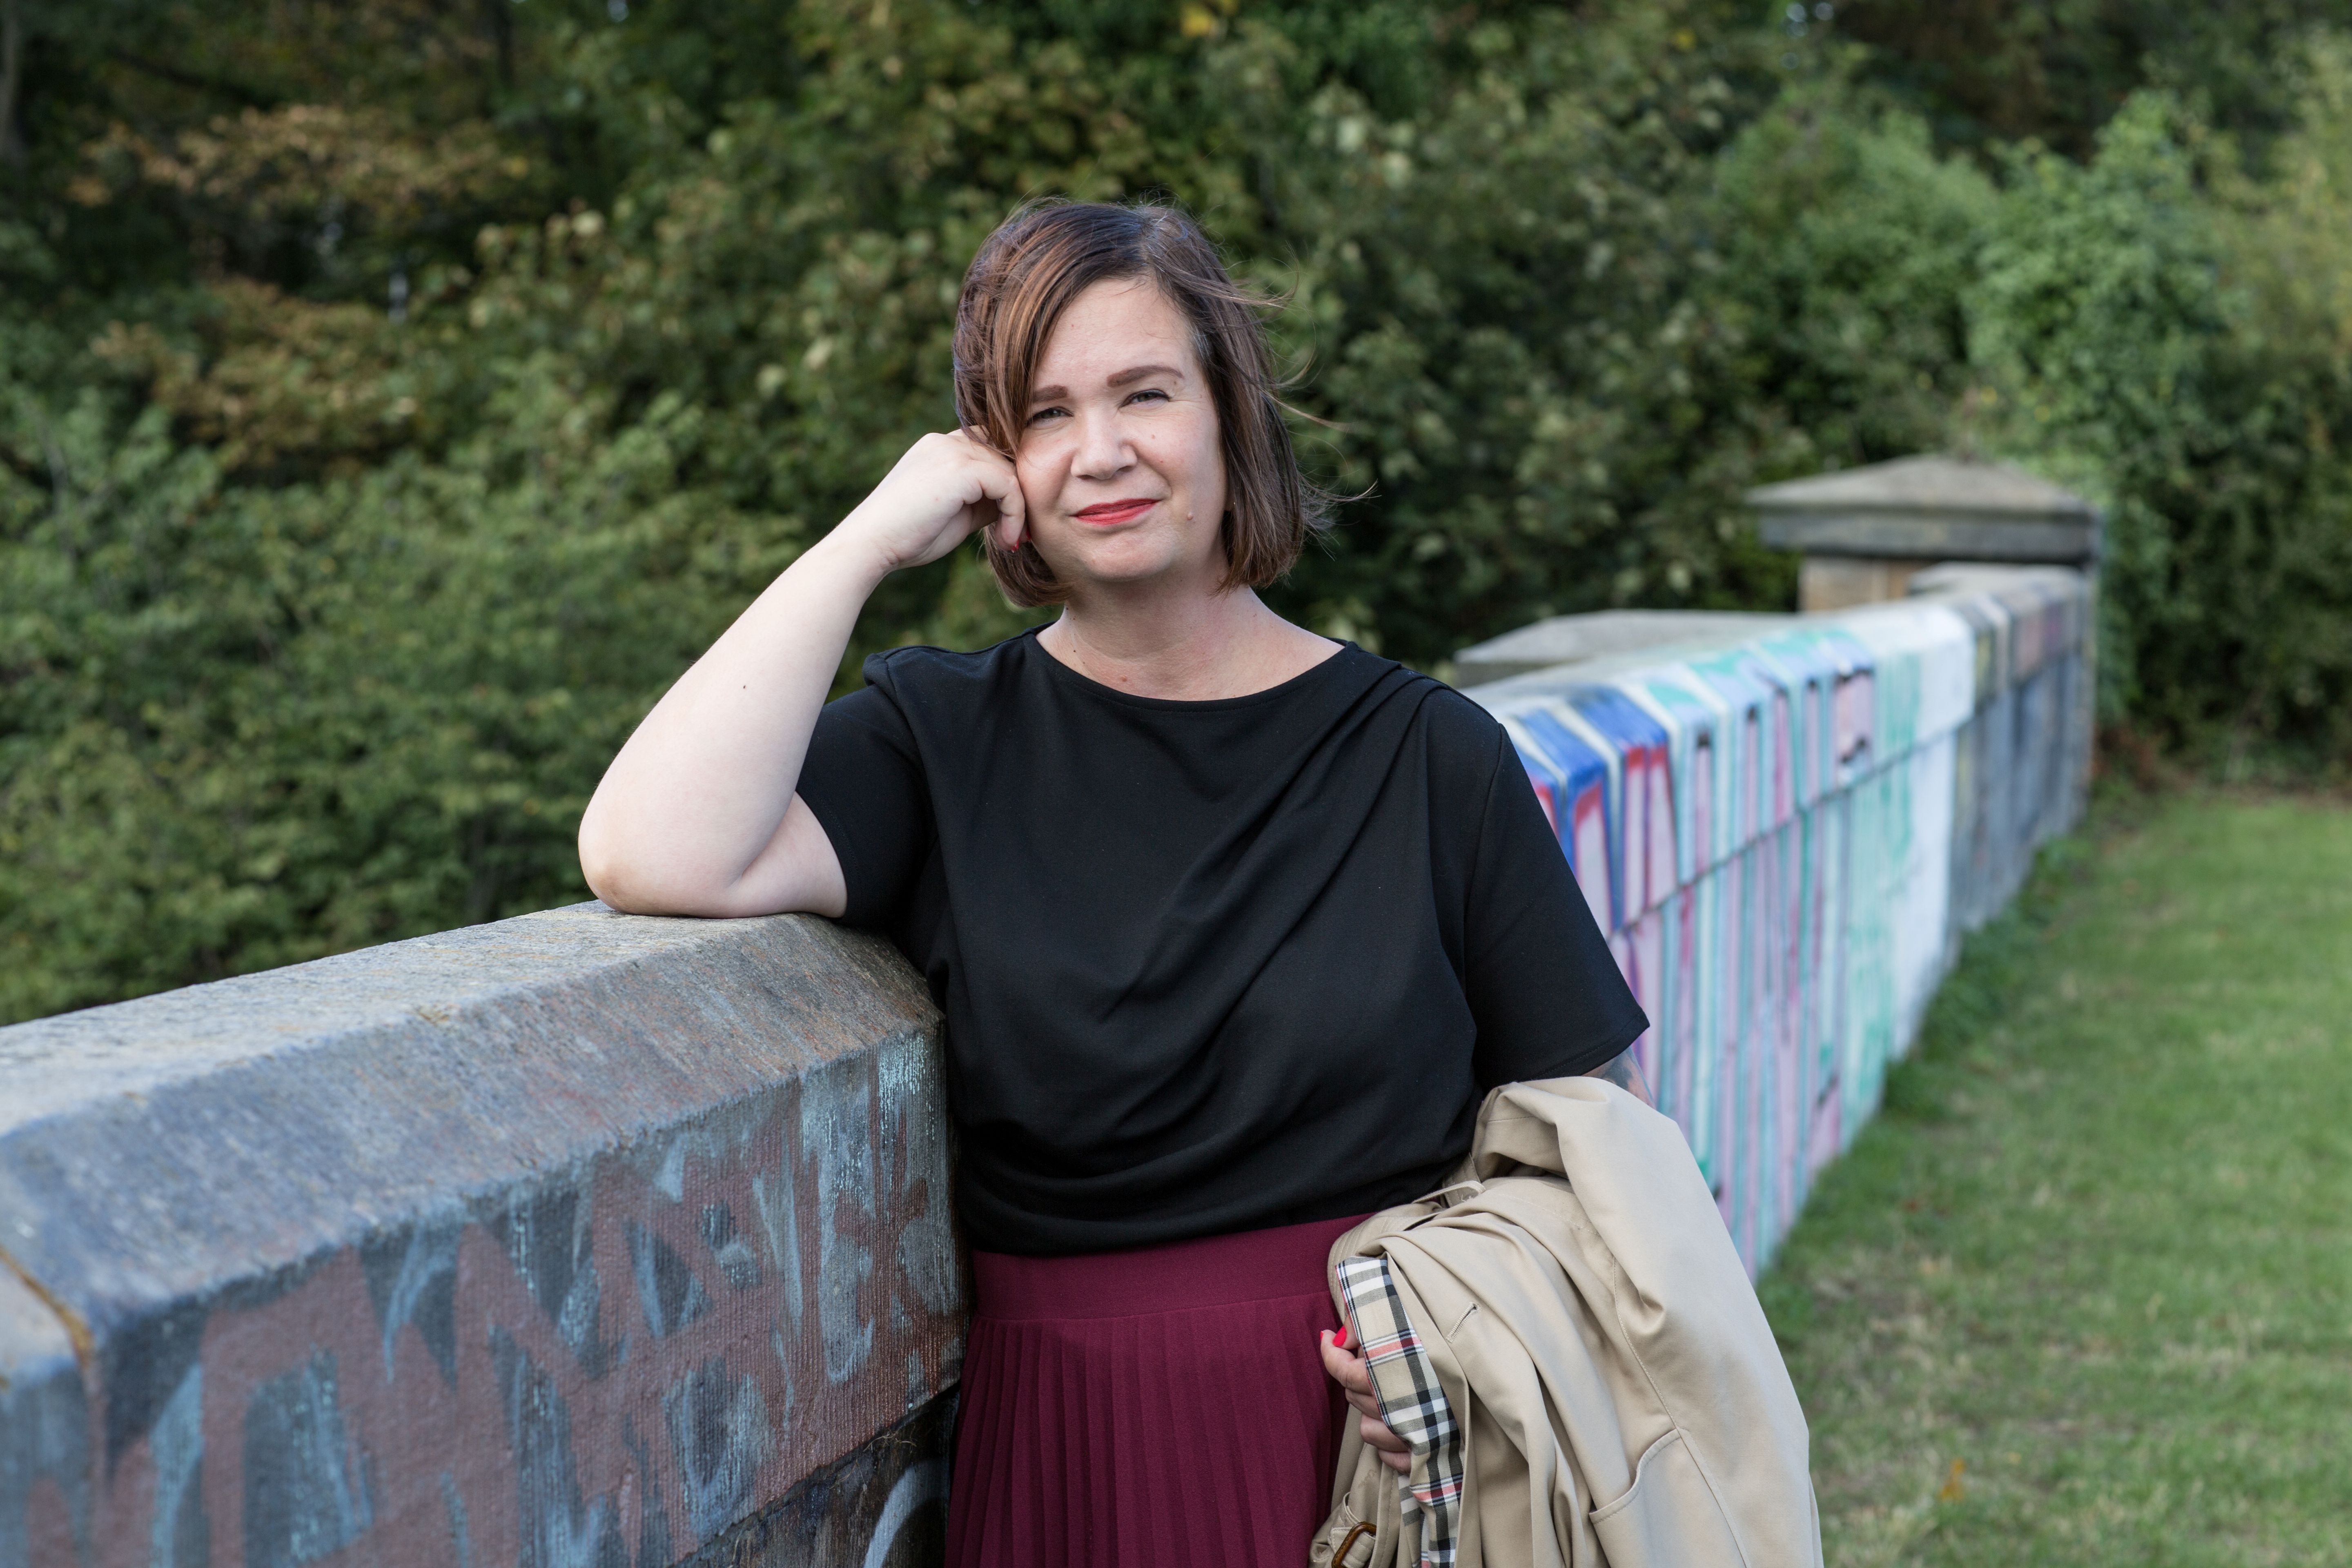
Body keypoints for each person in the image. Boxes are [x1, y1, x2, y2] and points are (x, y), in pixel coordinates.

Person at [577, 200, 1649, 1567]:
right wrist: (866, 541)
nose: (1103, 453)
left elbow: (1586, 1127)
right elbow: (647, 847)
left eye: (1145, 392)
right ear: (993, 462)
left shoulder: (1429, 754)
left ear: (1227, 415)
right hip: (1070, 1455)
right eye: (1044, 414)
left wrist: (1477, 1331)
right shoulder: (941, 746)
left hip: (1377, 1447)